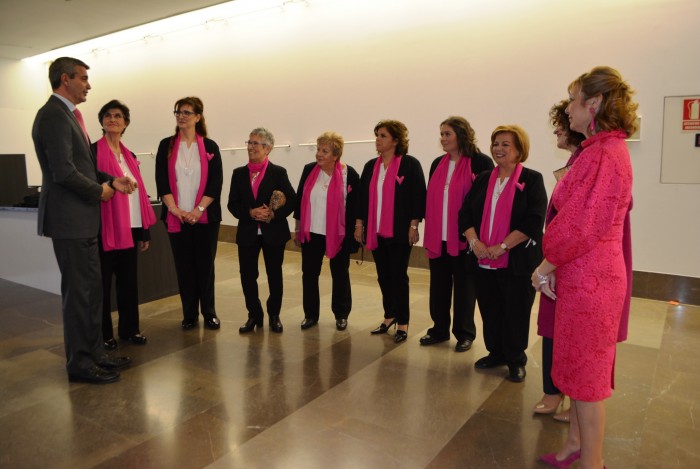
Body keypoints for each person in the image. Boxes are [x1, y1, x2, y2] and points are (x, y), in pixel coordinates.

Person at [533, 66, 636, 469]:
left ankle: (593, 461)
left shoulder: (605, 153)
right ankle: (574, 444)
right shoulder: (597, 150)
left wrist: (543, 265)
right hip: (582, 274)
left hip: (592, 277)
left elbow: (580, 224)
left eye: (574, 99)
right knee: (576, 367)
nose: (569, 109)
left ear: (593, 104)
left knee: (589, 380)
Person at [32, 57, 133, 384]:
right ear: (66, 79)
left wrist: (111, 180)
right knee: (79, 295)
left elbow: (84, 165)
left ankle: (96, 354)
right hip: (69, 220)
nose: (88, 85)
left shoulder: (70, 116)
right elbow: (63, 172)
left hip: (82, 220)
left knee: (90, 291)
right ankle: (80, 364)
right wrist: (98, 191)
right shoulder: (53, 116)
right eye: (84, 78)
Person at [458, 125, 547, 382]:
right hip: (482, 259)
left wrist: (503, 246)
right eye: (496, 143)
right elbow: (465, 214)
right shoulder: (484, 178)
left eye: (505, 144)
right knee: (490, 309)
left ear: (519, 149)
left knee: (516, 311)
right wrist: (474, 242)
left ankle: (515, 359)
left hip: (516, 261)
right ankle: (495, 352)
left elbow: (533, 220)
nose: (498, 148)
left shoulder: (532, 179)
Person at [420, 116, 494, 352]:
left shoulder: (480, 162)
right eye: (441, 134)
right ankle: (439, 328)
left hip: (465, 238)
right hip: (438, 236)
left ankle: (464, 333)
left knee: (465, 287)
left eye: (447, 134)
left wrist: (476, 236)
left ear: (461, 135)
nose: (442, 139)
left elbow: (484, 201)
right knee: (438, 285)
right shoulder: (436, 163)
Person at [531, 101, 586, 422]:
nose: (555, 129)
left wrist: (545, 267)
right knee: (553, 330)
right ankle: (555, 392)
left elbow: (578, 222)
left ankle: (565, 396)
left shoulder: (588, 160)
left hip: (569, 262)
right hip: (561, 259)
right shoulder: (576, 160)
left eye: (560, 124)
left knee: (567, 333)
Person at [355, 120, 426, 344]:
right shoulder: (370, 166)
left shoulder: (410, 165)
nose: (378, 139)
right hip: (375, 231)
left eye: (383, 136)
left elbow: (418, 196)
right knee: (383, 276)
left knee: (398, 276)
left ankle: (403, 322)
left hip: (399, 231)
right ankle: (390, 315)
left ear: (396, 140)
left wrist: (413, 226)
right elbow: (361, 198)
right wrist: (359, 224)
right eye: (377, 135)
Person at [155, 97, 223, 331]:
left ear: (198, 116)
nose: (181, 116)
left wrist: (198, 210)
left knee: (205, 266)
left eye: (186, 112)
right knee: (184, 267)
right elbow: (162, 182)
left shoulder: (210, 146)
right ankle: (190, 314)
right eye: (178, 112)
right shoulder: (166, 145)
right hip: (176, 217)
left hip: (205, 218)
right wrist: (176, 210)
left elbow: (216, 183)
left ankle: (210, 312)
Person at [93, 100, 157, 349]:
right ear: (102, 121)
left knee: (129, 282)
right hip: (104, 228)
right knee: (102, 285)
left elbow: (140, 194)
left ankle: (130, 329)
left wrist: (144, 230)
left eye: (118, 116)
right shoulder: (92, 151)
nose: (113, 119)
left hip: (130, 228)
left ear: (125, 123)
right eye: (108, 115)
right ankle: (104, 334)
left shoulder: (129, 155)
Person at [228, 128, 296, 334]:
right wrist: (250, 212)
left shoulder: (279, 172)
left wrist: (273, 215)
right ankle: (254, 315)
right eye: (249, 142)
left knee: (274, 275)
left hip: (273, 232)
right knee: (247, 275)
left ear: (268, 148)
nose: (250, 147)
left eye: (255, 143)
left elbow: (292, 200)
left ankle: (274, 315)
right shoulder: (238, 174)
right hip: (248, 232)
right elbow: (232, 204)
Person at [293, 131, 360, 331]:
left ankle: (341, 314)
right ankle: (310, 314)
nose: (319, 154)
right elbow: (300, 199)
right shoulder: (309, 170)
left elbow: (356, 205)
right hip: (311, 231)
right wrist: (297, 228)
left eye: (325, 151)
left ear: (336, 155)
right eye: (318, 149)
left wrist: (357, 228)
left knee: (340, 273)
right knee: (309, 273)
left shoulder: (350, 174)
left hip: (338, 234)